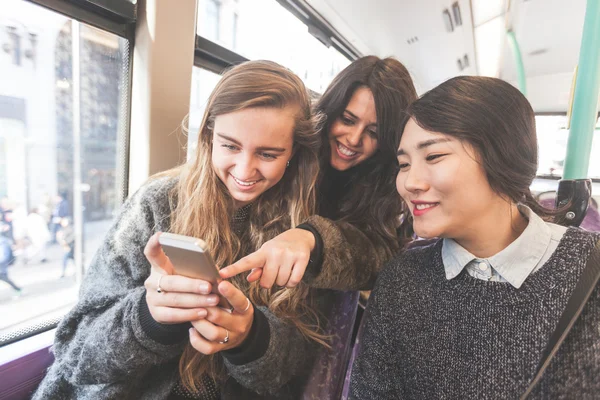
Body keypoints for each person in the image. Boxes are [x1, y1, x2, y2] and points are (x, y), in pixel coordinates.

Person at [33, 60, 329, 400]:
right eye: (230, 146)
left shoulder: (300, 233)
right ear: (208, 137)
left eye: (267, 154)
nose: (245, 169)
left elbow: (290, 368)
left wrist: (251, 338)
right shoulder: (156, 204)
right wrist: (148, 319)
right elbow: (74, 353)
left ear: (293, 153)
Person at [349, 76, 600, 399]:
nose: (410, 182)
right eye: (403, 164)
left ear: (501, 154)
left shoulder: (588, 270)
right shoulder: (401, 280)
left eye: (434, 156)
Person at [220, 56, 418, 292]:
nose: (354, 139)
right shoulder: (291, 149)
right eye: (347, 120)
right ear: (331, 110)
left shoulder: (387, 182)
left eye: (373, 133)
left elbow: (378, 256)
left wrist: (314, 239)